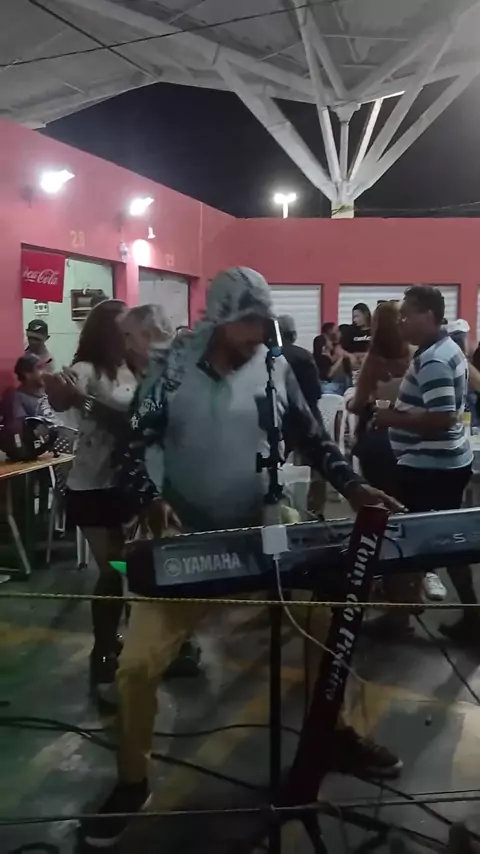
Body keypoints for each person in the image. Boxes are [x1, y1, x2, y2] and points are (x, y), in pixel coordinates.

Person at [82, 267, 403, 849]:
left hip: (262, 531)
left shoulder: (275, 368)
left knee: (325, 620)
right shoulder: (169, 370)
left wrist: (352, 486)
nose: (259, 333)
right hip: (185, 544)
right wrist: (151, 497)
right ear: (222, 317)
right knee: (137, 667)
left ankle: (332, 733)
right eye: (249, 322)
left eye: (263, 320)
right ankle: (132, 780)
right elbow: (135, 445)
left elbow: (312, 436)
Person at [374, 286, 478, 641]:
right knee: (448, 541)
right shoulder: (446, 348)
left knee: (404, 539)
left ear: (429, 315)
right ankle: (470, 615)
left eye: (407, 315)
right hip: (443, 463)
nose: (401, 322)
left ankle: (399, 617)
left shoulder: (434, 359)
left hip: (429, 467)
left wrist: (392, 419)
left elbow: (442, 417)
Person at [278, 314, 321, 412]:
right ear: (294, 335)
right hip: (303, 416)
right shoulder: (304, 356)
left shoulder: (265, 357)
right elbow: (315, 392)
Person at [313, 323, 350, 394]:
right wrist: (340, 358)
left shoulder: (333, 351)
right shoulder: (323, 356)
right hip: (327, 386)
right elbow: (328, 374)